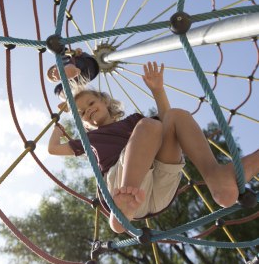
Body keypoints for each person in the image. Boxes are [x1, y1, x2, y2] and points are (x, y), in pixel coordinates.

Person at [48, 61, 259, 233]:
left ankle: (217, 179)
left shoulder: (134, 122)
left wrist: (158, 90)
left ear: (105, 101)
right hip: (120, 184)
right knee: (150, 125)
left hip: (160, 182)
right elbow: (54, 149)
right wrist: (59, 125)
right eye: (83, 113)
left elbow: (167, 123)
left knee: (174, 117)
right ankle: (125, 200)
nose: (89, 111)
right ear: (83, 123)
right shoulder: (90, 138)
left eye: (91, 103)